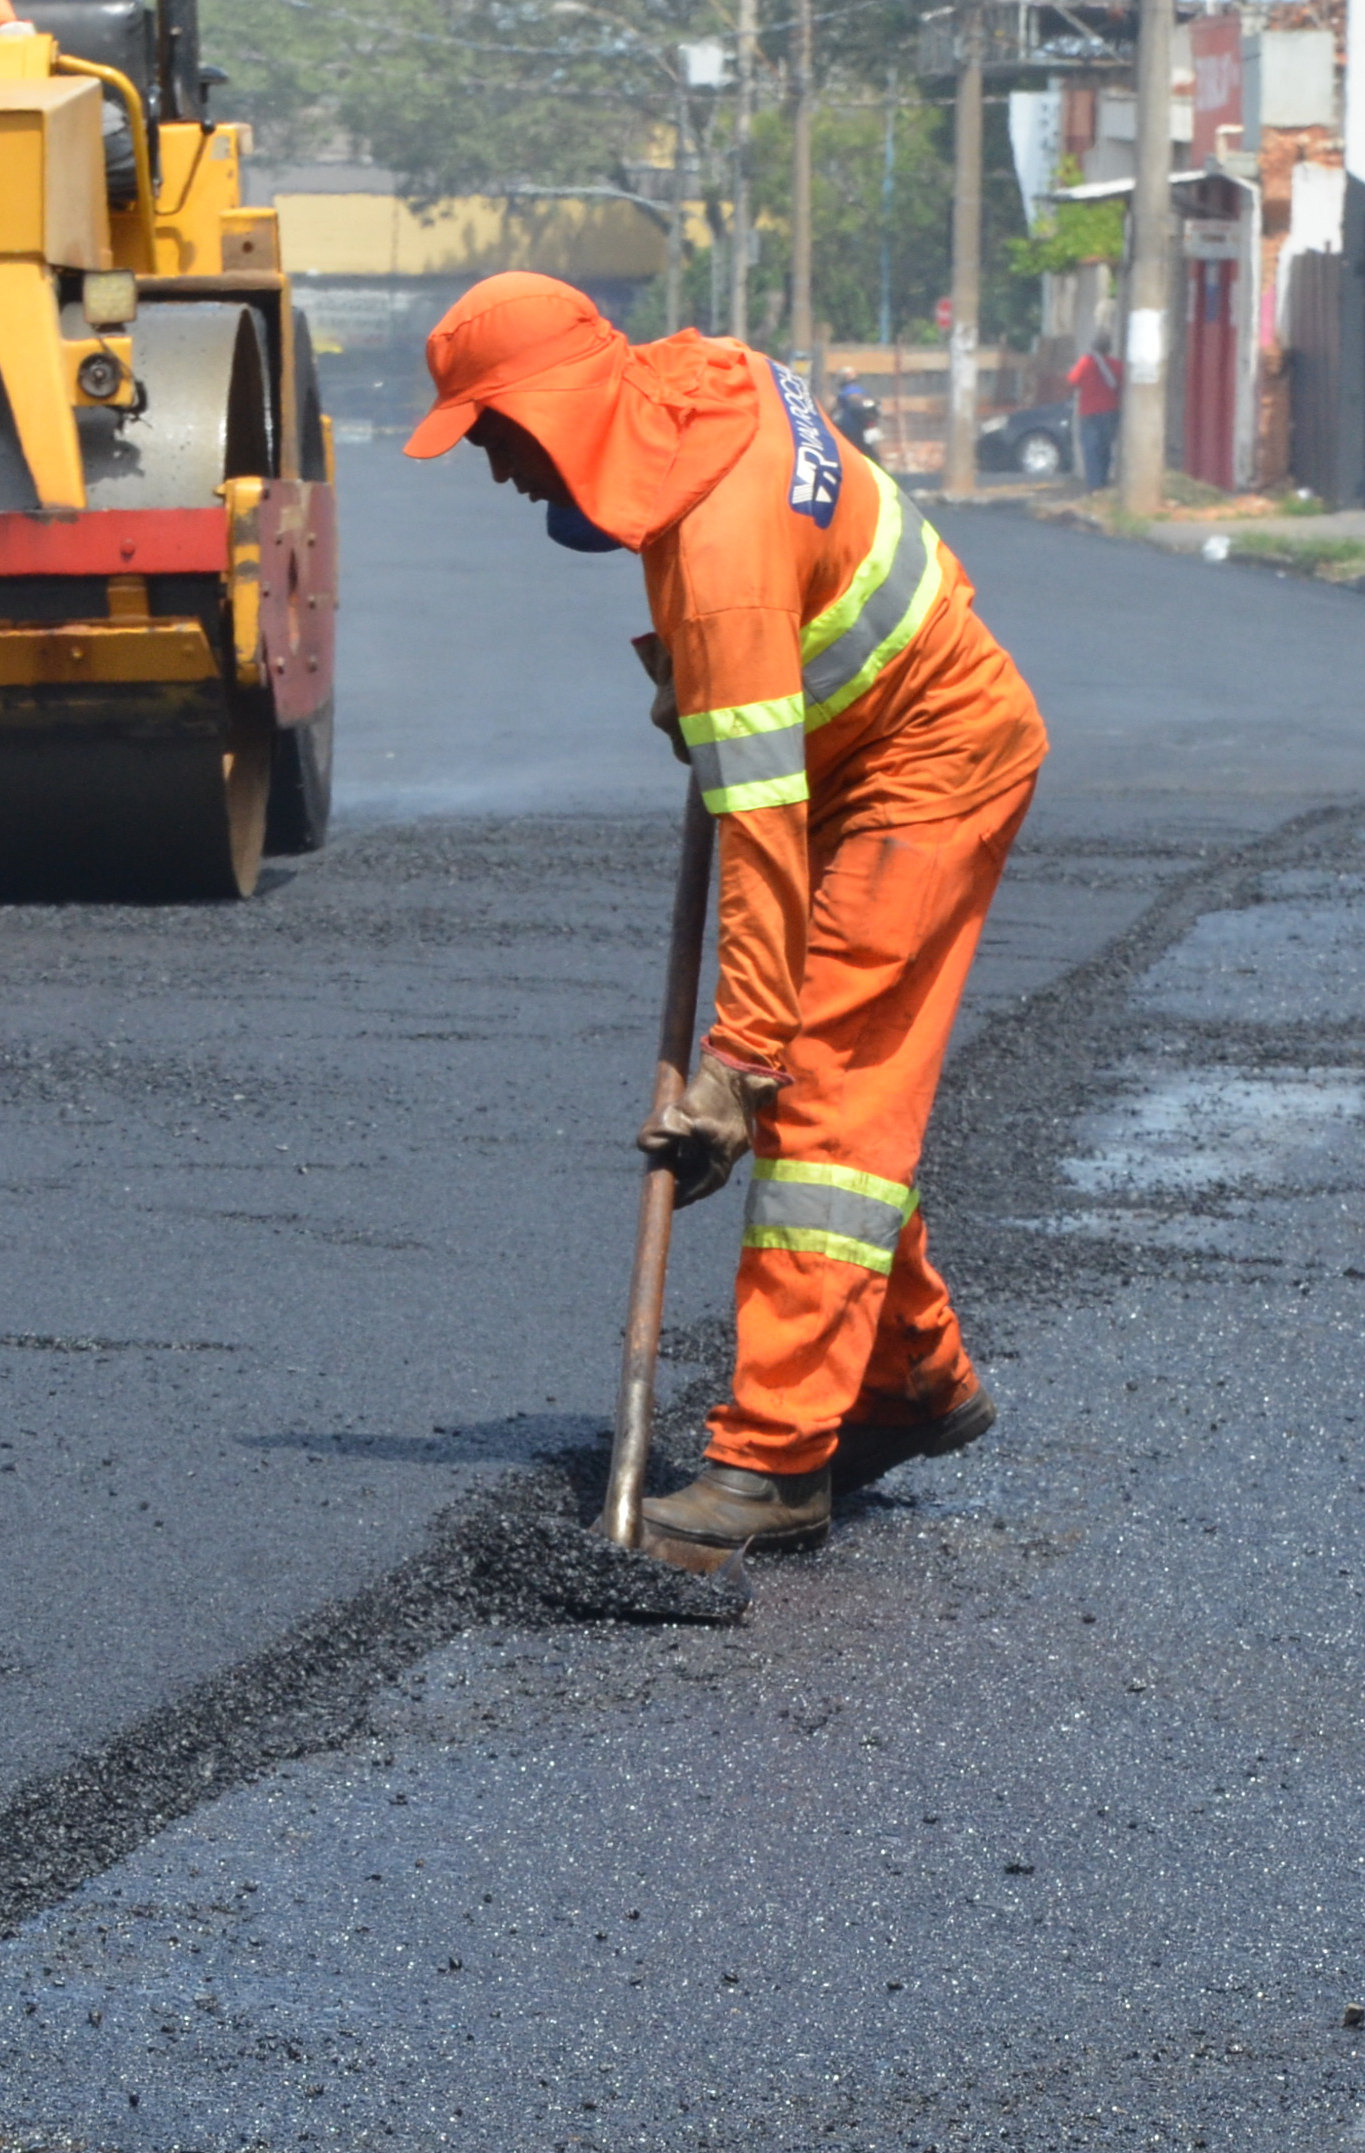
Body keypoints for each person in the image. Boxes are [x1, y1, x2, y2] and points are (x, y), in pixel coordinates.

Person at [404, 273, 1049, 1553]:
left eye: (493, 434)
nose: (493, 471)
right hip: (856, 742)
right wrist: (693, 680)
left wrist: (738, 1067)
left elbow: (764, 837)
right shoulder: (699, 387)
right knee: (836, 1098)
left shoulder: (722, 567)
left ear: (560, 408)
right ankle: (910, 1379)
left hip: (924, 771)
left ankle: (772, 1467)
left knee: (818, 1104)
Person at [1066, 325, 1123, 491]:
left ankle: (1094, 486)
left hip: (1089, 413)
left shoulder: (1085, 363)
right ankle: (1103, 481)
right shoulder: (1117, 365)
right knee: (1105, 449)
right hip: (1111, 411)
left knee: (1091, 450)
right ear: (1109, 348)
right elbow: (1122, 384)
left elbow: (1072, 381)